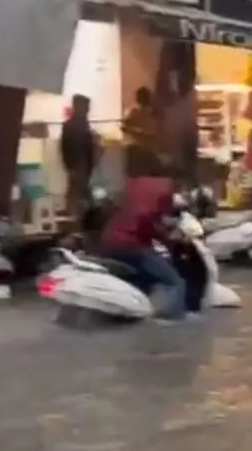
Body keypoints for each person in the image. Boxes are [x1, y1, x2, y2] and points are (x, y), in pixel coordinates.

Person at [100, 184, 188, 322]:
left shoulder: (128, 208)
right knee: (176, 283)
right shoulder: (147, 212)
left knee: (143, 278)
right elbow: (152, 234)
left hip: (109, 247)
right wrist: (169, 240)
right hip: (132, 248)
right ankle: (174, 320)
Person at [60, 94, 98, 223]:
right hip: (79, 163)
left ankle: (72, 214)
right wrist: (71, 165)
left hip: (80, 164)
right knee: (81, 191)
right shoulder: (76, 126)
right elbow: (68, 147)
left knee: (77, 190)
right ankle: (81, 216)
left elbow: (64, 147)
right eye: (86, 107)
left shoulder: (76, 124)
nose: (88, 110)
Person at [123, 87, 163, 177]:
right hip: (139, 151)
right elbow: (125, 126)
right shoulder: (134, 112)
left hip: (146, 151)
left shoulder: (153, 113)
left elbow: (152, 132)